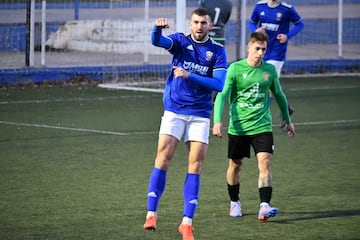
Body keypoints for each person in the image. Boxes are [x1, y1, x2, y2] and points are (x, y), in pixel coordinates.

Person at [143, 8, 227, 240]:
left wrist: (190, 76)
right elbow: (158, 41)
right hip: (175, 110)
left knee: (196, 164)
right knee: (163, 157)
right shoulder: (180, 41)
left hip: (200, 114)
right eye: (196, 22)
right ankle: (151, 213)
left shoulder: (218, 51)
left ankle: (186, 223)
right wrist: (156, 29)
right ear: (190, 24)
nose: (200, 26)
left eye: (204, 23)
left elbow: (219, 85)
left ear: (210, 26)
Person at [212, 32, 295, 221]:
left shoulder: (270, 71)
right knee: (235, 165)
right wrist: (217, 121)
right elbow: (222, 96)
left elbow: (279, 95)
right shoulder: (234, 69)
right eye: (257, 48)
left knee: (265, 163)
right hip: (238, 128)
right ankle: (234, 202)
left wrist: (288, 121)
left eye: (263, 49)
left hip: (262, 126)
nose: (260, 53)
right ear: (248, 48)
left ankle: (264, 206)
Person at [248, 0, 304, 128]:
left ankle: (261, 115)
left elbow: (300, 24)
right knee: (272, 84)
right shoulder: (260, 6)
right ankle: (287, 108)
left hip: (277, 53)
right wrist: (256, 30)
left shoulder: (287, 9)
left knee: (267, 82)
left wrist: (287, 36)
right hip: (262, 50)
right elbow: (251, 22)